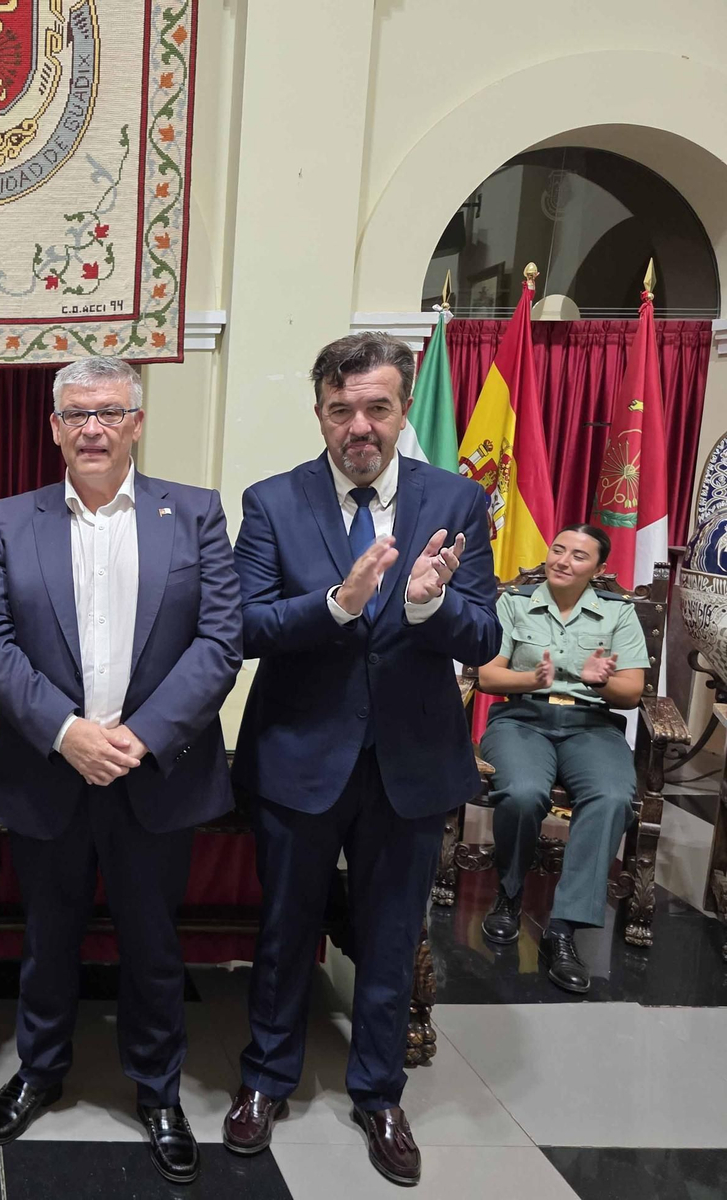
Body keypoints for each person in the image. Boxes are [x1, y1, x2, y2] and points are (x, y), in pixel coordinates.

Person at [226, 331, 499, 1187]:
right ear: (320, 414)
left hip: (410, 765)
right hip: (300, 760)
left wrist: (429, 609)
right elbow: (244, 625)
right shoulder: (273, 501)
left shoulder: (456, 500)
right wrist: (337, 604)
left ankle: (379, 1093)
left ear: (401, 410)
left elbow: (488, 633)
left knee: (389, 939)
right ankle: (265, 1080)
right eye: (341, 410)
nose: (359, 426)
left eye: (376, 407)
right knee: (284, 932)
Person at [0, 357, 242, 1185]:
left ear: (136, 422)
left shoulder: (193, 513)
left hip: (156, 774)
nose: (92, 427)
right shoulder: (11, 521)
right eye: (76, 413)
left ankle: (157, 1091)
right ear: (52, 427)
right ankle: (40, 1072)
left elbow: (220, 640)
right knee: (45, 938)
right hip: (50, 772)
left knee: (155, 946)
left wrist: (140, 736)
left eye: (109, 412)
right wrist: (66, 732)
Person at [475, 523, 647, 994]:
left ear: (598, 569)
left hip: (590, 726)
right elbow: (488, 677)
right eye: (558, 549)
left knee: (612, 796)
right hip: (523, 721)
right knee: (523, 792)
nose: (563, 560)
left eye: (579, 555)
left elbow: (631, 692)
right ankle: (509, 896)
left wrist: (598, 682)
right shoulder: (513, 603)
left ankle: (563, 929)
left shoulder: (617, 614)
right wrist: (531, 681)